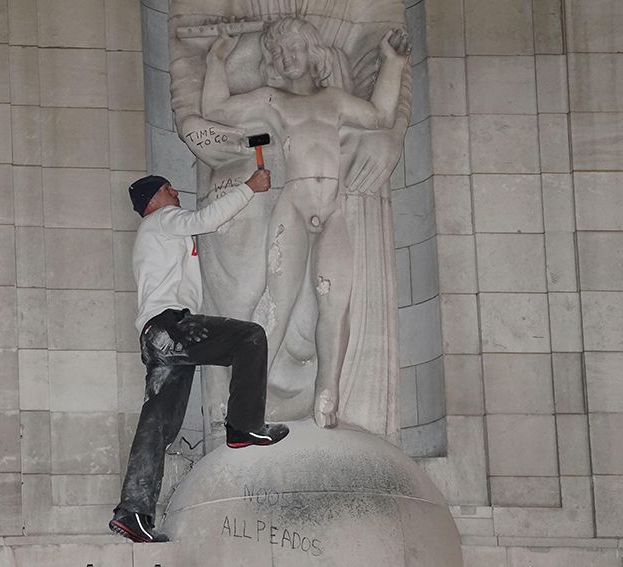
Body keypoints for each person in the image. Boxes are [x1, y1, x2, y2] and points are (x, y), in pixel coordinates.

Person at [202, 20, 411, 428]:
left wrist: (392, 63)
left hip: (332, 209)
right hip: (294, 206)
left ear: (311, 49)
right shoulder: (272, 100)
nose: (286, 57)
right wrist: (216, 59)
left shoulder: (334, 99)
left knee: (334, 303)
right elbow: (214, 109)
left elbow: (382, 115)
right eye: (278, 52)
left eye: (293, 47)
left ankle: (327, 394)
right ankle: (248, 397)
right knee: (277, 306)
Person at [109, 169, 290, 543]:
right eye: (166, 189)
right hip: (171, 326)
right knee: (250, 338)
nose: (175, 192)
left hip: (155, 337)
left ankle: (133, 513)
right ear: (152, 202)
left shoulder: (154, 232)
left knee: (157, 426)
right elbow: (205, 219)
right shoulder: (163, 220)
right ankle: (243, 427)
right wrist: (249, 188)